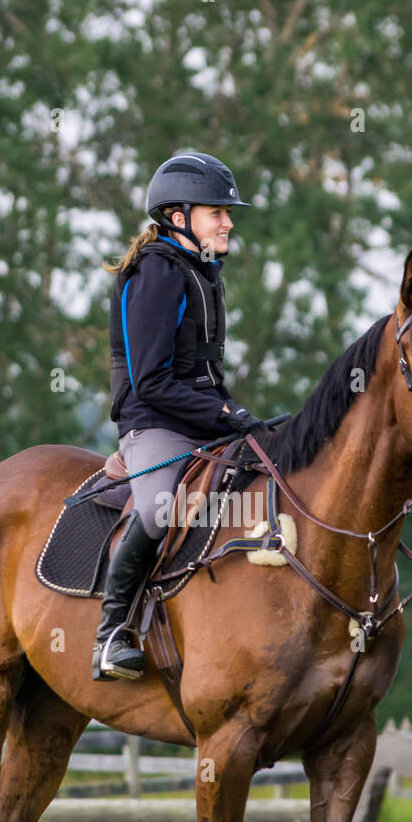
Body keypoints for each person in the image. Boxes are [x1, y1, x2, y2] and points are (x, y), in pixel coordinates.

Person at [92, 152, 265, 680]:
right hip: (155, 423)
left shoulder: (204, 273)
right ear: (178, 217)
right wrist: (224, 413)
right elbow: (152, 381)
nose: (228, 221)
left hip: (202, 422)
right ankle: (112, 633)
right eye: (217, 212)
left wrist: (238, 416)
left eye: (226, 212)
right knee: (158, 509)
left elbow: (206, 371)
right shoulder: (157, 274)